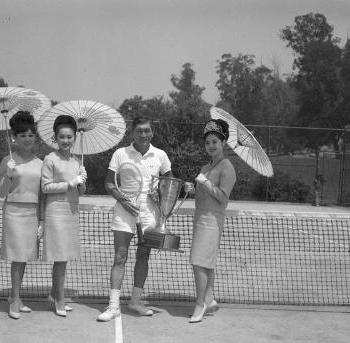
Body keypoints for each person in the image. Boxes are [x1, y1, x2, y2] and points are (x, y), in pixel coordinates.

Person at [97, 116, 191, 322]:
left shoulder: (161, 155)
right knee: (120, 257)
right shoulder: (120, 154)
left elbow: (169, 185)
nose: (143, 134)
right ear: (132, 133)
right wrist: (123, 201)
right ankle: (113, 306)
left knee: (143, 256)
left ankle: (135, 301)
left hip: (149, 215)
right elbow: (109, 183)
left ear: (152, 132)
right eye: (139, 130)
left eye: (147, 130)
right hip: (124, 213)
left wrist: (162, 193)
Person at [0, 111, 44, 320]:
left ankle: (15, 296)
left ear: (35, 138)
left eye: (30, 135)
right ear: (14, 138)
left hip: (32, 214)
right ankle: (15, 299)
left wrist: (42, 220)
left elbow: (43, 195)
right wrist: (8, 175)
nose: (27, 139)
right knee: (17, 258)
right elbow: (0, 193)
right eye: (22, 135)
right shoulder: (8, 160)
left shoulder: (41, 163)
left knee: (24, 258)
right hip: (13, 212)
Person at [188, 119, 236, 323]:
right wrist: (191, 190)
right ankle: (209, 298)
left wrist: (205, 183)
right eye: (208, 142)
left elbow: (223, 198)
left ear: (223, 142)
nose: (211, 146)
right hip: (200, 217)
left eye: (215, 141)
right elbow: (201, 196)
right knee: (206, 264)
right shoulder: (205, 166)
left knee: (198, 262)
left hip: (212, 220)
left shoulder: (228, 167)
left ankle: (200, 304)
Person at [41, 115, 87, 317]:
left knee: (64, 258)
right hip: (56, 212)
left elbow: (81, 191)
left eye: (69, 137)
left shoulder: (78, 162)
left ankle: (53, 294)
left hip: (71, 211)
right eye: (62, 137)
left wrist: (82, 182)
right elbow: (45, 186)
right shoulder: (50, 159)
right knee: (59, 258)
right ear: (55, 138)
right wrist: (68, 183)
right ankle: (59, 299)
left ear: (74, 138)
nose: (66, 141)